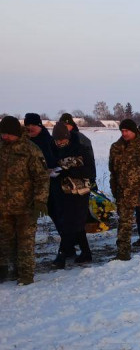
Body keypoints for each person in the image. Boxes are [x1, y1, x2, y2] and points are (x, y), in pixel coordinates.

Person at [0, 115, 49, 285]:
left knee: (25, 242)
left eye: (8, 134)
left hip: (26, 206)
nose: (5, 137)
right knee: (5, 240)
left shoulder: (30, 150)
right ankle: (9, 270)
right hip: (3, 207)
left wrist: (40, 201)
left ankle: (26, 275)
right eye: (2, 134)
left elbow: (42, 177)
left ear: (16, 133)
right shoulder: (1, 148)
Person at [108, 119, 140, 261]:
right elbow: (113, 171)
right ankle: (123, 253)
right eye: (122, 131)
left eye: (127, 131)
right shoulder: (116, 148)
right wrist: (114, 187)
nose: (124, 133)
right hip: (124, 193)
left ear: (134, 131)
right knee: (124, 224)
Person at [50, 121, 93, 267]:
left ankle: (61, 256)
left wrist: (67, 172)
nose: (59, 143)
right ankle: (86, 252)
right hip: (60, 193)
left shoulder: (80, 149)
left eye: (62, 139)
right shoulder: (53, 150)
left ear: (67, 137)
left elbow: (90, 171)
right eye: (57, 140)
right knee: (76, 223)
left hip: (79, 192)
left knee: (71, 223)